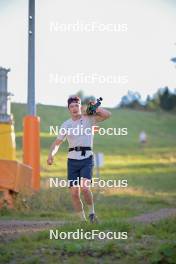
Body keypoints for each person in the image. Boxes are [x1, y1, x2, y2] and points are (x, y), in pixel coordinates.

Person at [47, 96, 111, 223]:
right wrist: (51, 155)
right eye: (72, 106)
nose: (74, 108)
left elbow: (107, 114)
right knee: (74, 193)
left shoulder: (89, 118)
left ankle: (92, 214)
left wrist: (95, 106)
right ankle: (82, 221)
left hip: (87, 158)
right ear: (68, 109)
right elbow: (57, 143)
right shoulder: (66, 124)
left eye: (77, 106)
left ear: (80, 107)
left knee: (85, 188)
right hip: (72, 161)